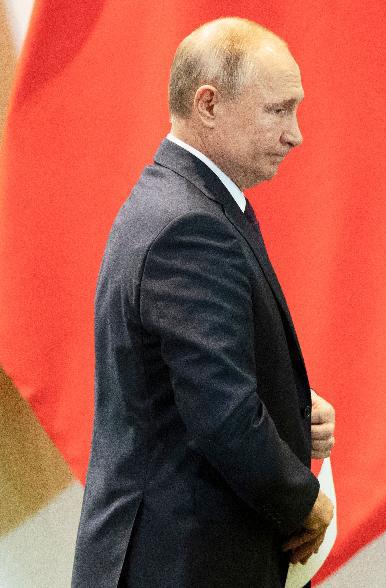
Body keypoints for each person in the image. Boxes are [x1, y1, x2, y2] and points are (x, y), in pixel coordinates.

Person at [72, 18, 335, 587]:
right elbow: (223, 415)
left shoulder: (185, 200)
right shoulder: (188, 225)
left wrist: (291, 410)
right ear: (208, 104)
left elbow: (190, 387)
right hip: (180, 564)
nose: (295, 134)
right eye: (277, 110)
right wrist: (304, 503)